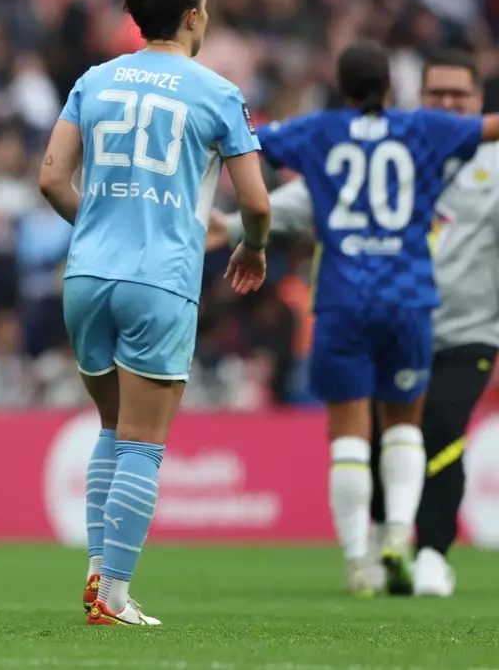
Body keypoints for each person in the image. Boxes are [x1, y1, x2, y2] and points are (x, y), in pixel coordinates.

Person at [211, 48, 499, 597]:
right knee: (405, 428)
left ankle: (358, 560)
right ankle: (398, 537)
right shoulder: (424, 131)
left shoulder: (321, 130)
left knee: (348, 436)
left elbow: (253, 141)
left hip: (343, 303)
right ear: (395, 88)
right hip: (411, 302)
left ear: (341, 88)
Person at [37, 0, 270, 627]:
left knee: (112, 428)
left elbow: (52, 178)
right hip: (158, 279)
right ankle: (112, 597)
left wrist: (100, 226)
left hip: (86, 277)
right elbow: (255, 202)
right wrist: (253, 247)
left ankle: (96, 577)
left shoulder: (94, 80)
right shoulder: (217, 91)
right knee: (143, 442)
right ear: (194, 16)